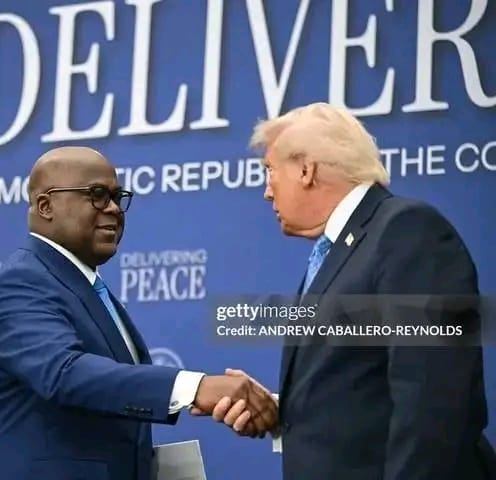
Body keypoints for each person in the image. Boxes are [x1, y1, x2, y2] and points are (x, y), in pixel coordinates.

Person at [211, 102, 496, 479]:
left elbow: (434, 399)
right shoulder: (340, 251)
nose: (267, 192)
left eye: (269, 171)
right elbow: (363, 387)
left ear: (306, 170)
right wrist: (281, 410)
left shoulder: (407, 232)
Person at [0, 146, 278, 480]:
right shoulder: (21, 281)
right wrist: (195, 388)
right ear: (46, 206)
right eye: (97, 195)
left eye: (117, 197)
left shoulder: (85, 287)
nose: (114, 208)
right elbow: (64, 372)